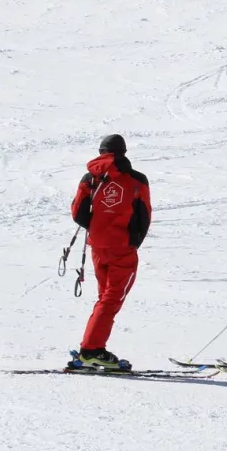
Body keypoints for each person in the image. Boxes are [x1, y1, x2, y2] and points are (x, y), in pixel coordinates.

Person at [69, 134, 151, 369]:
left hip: (98, 247)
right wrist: (132, 241)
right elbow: (144, 215)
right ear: (123, 152)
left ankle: (92, 348)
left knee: (105, 298)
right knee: (111, 299)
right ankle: (91, 350)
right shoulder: (137, 180)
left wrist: (98, 230)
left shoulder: (90, 177)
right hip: (122, 248)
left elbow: (78, 213)